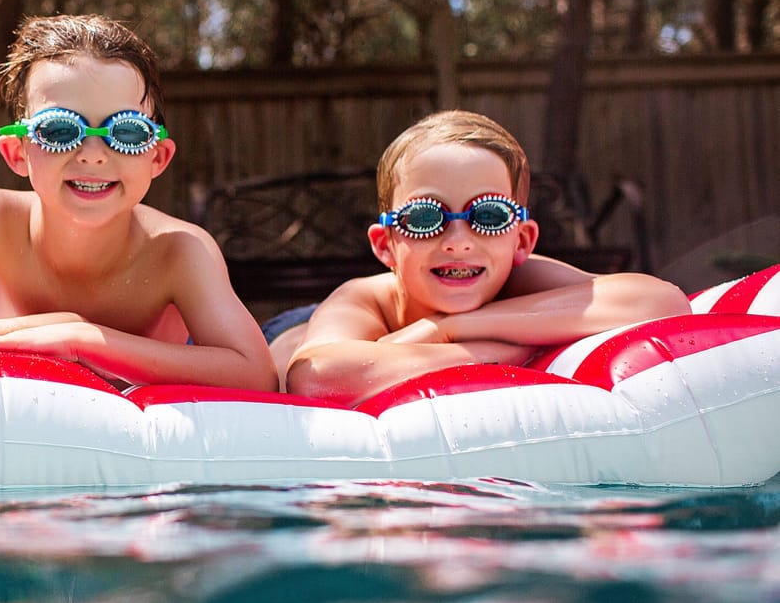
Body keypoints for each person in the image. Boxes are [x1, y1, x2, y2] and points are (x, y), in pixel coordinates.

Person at [0, 14, 278, 392]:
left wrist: (86, 342)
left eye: (126, 131)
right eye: (59, 129)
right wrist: (60, 323)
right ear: (18, 152)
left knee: (302, 350)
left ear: (157, 158)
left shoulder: (179, 249)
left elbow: (258, 374)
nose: (92, 154)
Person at [274, 110, 691, 405]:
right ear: (385, 244)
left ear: (522, 241)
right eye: (425, 217)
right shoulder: (363, 298)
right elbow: (314, 377)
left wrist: (450, 327)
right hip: (303, 327)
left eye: (488, 215)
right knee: (279, 355)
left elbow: (664, 302)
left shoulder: (518, 277)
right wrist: (503, 348)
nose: (458, 241)